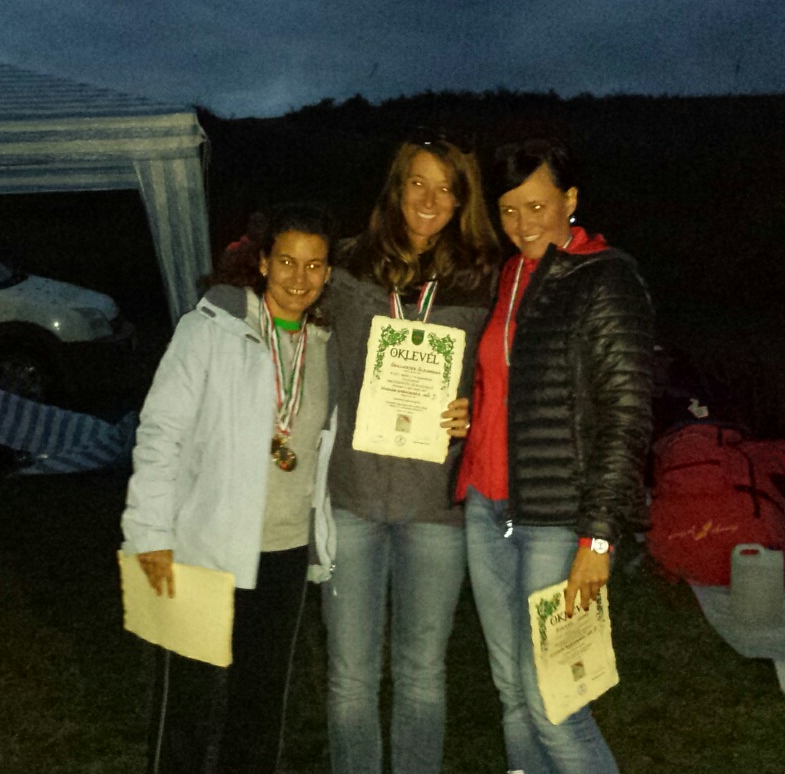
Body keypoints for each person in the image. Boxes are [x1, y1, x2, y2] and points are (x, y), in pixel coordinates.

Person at [456, 138, 653, 774]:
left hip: (558, 518)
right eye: (508, 210)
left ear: (570, 199)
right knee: (512, 693)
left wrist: (598, 538)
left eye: (537, 206)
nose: (523, 224)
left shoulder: (605, 278)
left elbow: (626, 416)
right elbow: (517, 387)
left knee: (554, 702)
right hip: (487, 507)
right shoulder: (511, 275)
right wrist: (473, 413)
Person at [121, 204, 338, 774]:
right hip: (205, 545)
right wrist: (150, 532)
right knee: (187, 708)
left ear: (328, 273)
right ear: (262, 262)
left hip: (284, 552)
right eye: (287, 261)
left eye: (314, 265)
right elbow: (160, 432)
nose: (299, 277)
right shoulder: (211, 330)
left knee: (260, 707)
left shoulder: (326, 346)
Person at [321, 132, 499, 774]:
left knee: (422, 672)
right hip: (351, 498)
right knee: (350, 677)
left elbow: (499, 378)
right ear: (396, 189)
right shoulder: (344, 268)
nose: (429, 200)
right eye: (417, 183)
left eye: (446, 189)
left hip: (435, 507)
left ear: (462, 201)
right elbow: (284, 318)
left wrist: (475, 410)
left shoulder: (481, 280)